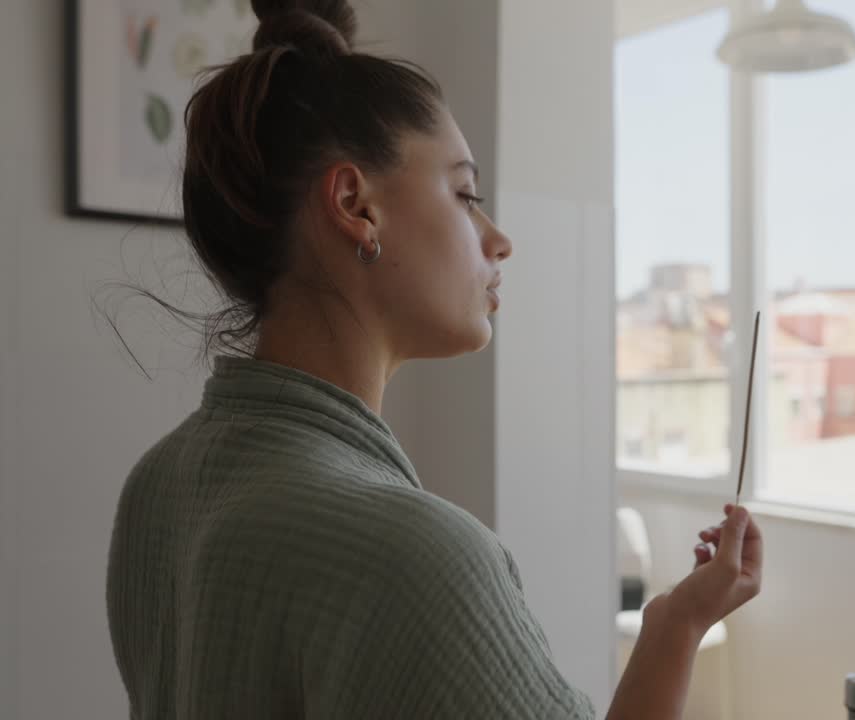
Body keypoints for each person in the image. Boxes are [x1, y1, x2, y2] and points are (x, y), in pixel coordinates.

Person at [105, 1, 764, 718]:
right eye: (465, 193)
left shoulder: (161, 486)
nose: (498, 238)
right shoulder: (421, 559)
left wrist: (675, 620)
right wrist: (679, 630)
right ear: (356, 205)